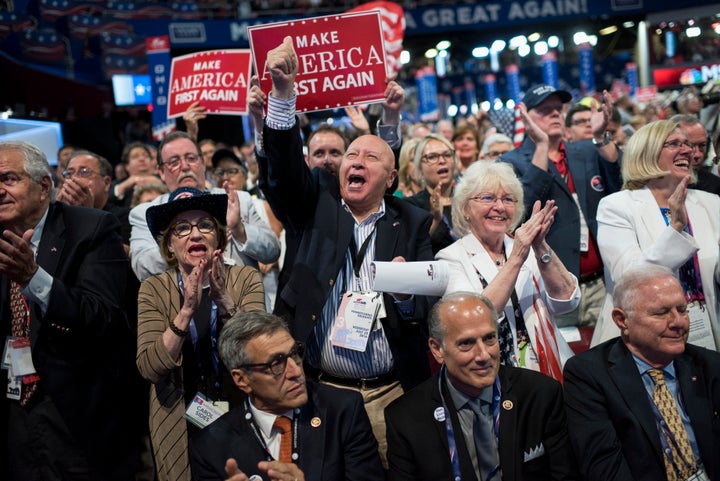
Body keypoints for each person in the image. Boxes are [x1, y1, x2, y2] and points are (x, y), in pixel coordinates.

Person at [257, 36, 433, 464]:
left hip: (392, 393)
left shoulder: (412, 220)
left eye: (370, 157)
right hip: (321, 392)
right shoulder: (315, 204)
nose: (355, 160)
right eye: (350, 154)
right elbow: (281, 173)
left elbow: (423, 314)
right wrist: (283, 96)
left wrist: (407, 299)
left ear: (390, 178)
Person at [0, 141, 138, 480]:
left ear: (44, 185)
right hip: (11, 413)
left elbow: (104, 317)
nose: (0, 191)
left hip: (76, 415)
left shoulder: (91, 228)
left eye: (8, 179)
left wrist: (35, 278)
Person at [136, 187, 266, 481]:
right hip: (178, 419)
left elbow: (260, 352)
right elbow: (150, 367)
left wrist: (224, 302)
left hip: (241, 413)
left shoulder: (244, 278)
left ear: (218, 237)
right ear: (169, 245)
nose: (195, 234)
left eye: (205, 225)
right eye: (182, 228)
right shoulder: (153, 289)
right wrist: (187, 310)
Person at [385, 292, 578, 481]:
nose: (483, 355)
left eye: (489, 338)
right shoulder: (405, 418)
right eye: (466, 343)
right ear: (437, 349)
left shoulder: (540, 394)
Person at [564, 264, 720, 481]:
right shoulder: (589, 375)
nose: (678, 322)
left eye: (682, 310)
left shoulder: (709, 365)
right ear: (622, 320)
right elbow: (603, 469)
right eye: (661, 312)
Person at [189, 311, 385, 481]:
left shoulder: (342, 411)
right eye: (276, 363)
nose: (295, 371)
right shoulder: (210, 447)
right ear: (242, 380)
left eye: (295, 353)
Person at [436, 161, 577, 378]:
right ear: (465, 209)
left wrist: (540, 246)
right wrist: (518, 255)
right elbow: (475, 319)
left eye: (508, 199)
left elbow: (567, 300)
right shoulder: (451, 258)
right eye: (488, 198)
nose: (500, 207)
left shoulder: (528, 247)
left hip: (548, 368)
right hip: (492, 373)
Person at [500, 84, 621, 329]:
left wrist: (600, 137)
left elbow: (618, 183)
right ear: (525, 115)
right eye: (545, 110)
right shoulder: (508, 162)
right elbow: (519, 215)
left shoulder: (586, 149)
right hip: (553, 287)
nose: (555, 114)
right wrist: (542, 146)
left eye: (557, 108)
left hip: (601, 282)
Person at [592, 120, 720, 350]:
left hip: (706, 330)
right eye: (674, 144)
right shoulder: (616, 206)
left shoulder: (710, 203)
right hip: (642, 338)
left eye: (688, 144)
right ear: (647, 153)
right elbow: (629, 277)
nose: (688, 150)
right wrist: (676, 229)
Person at [129, 130, 280, 281]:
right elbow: (142, 269)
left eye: (191, 158)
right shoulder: (146, 213)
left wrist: (239, 229)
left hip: (241, 301)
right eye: (174, 162)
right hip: (183, 304)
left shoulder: (238, 199)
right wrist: (180, 245)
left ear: (202, 163)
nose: (185, 166)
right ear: (161, 172)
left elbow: (273, 251)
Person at [406, 134, 458, 254]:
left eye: (447, 155)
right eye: (432, 157)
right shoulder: (412, 206)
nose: (442, 161)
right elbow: (410, 250)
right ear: (420, 167)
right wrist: (434, 219)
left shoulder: (468, 199)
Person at [672, 114, 720, 195]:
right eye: (690, 145)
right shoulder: (649, 185)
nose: (697, 155)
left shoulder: (717, 186)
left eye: (702, 145)